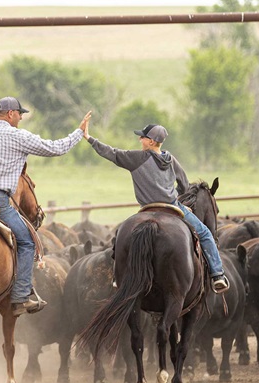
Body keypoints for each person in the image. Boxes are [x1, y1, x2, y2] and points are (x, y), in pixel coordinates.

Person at [0, 97, 93, 315]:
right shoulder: (19, 137)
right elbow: (55, 148)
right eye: (20, 114)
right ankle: (20, 295)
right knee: (27, 242)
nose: (20, 118)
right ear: (10, 114)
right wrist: (78, 133)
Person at [83, 122, 230, 292]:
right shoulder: (171, 159)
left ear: (151, 142)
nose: (140, 139)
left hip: (149, 208)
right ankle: (217, 275)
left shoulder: (136, 158)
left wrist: (89, 138)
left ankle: (118, 278)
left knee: (120, 235)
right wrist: (177, 200)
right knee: (204, 233)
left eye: (143, 137)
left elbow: (112, 153)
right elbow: (184, 184)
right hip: (173, 207)